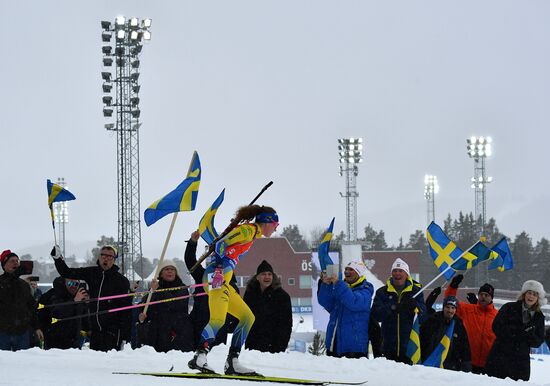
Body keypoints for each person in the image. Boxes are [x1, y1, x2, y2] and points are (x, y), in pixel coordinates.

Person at [188, 205, 279, 375]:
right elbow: (221, 244)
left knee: (247, 317)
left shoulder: (250, 233)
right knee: (218, 319)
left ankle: (233, 361)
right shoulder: (248, 230)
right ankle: (200, 356)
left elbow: (226, 241)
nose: (276, 228)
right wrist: (220, 268)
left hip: (224, 281)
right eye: (276, 224)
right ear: (267, 222)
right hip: (217, 277)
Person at [51, 244, 131, 352]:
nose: (106, 258)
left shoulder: (121, 281)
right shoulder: (92, 273)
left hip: (112, 332)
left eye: (109, 256)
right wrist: (57, 259)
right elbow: (67, 272)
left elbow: (125, 310)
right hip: (95, 332)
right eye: (103, 255)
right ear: (99, 257)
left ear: (114, 259)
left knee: (110, 363)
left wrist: (125, 337)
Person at [184, 231, 239, 349]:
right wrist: (192, 243)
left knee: (216, 359)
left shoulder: (231, 283)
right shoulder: (202, 275)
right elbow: (190, 261)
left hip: (219, 330)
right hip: (199, 327)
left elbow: (236, 311)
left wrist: (230, 323)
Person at [485, 280, 546, 381]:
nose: (531, 296)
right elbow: (496, 327)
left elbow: (538, 341)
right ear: (524, 294)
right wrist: (516, 332)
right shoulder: (509, 307)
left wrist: (528, 335)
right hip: (499, 357)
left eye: (535, 294)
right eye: (529, 293)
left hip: (520, 363)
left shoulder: (539, 317)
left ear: (538, 298)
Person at [371, 257, 426, 364]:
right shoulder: (382, 292)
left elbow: (423, 317)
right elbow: (376, 315)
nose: (397, 273)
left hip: (410, 347)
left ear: (407, 274)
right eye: (395, 271)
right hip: (387, 347)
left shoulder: (416, 292)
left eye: (401, 271)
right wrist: (393, 307)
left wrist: (415, 306)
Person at [318, 260, 373, 358]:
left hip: (354, 347)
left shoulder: (366, 290)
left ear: (359, 273)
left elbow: (354, 302)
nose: (347, 272)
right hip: (334, 343)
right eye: (346, 269)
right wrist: (326, 285)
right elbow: (326, 303)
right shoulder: (340, 287)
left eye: (351, 270)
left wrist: (338, 283)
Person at [443, 274, 497, 374]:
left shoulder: (497, 315)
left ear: (491, 298)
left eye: (487, 295)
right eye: (481, 294)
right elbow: (450, 301)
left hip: (488, 364)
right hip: (467, 361)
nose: (483, 297)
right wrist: (453, 286)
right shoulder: (468, 309)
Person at [138, 259, 194, 353]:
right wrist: (142, 314)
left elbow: (175, 304)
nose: (170, 271)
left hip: (178, 334)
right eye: (166, 269)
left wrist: (158, 290)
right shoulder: (155, 288)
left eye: (172, 269)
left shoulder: (182, 288)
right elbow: (145, 305)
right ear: (161, 273)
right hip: (158, 335)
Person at [243, 260, 292, 353]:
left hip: (273, 347)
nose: (267, 277)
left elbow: (286, 324)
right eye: (263, 274)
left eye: (269, 274)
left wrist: (280, 347)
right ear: (257, 277)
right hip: (252, 345)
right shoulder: (250, 294)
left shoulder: (282, 296)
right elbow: (245, 317)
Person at [0, 250, 43, 351]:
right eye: (12, 261)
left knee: (23, 363)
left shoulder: (24, 285)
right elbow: (8, 297)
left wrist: (37, 327)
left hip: (22, 332)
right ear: (4, 265)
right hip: (3, 332)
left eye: (17, 261)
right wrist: (13, 278)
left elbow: (32, 307)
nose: (15, 263)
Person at [420, 295, 471, 371]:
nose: (450, 311)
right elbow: (422, 339)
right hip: (430, 362)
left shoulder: (458, 325)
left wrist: (466, 365)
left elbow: (465, 347)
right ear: (443, 308)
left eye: (453, 308)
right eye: (447, 307)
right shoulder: (433, 320)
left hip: (450, 366)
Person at [38, 277, 89, 349]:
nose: (73, 286)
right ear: (64, 283)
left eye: (76, 284)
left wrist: (87, 304)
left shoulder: (78, 296)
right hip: (55, 341)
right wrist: (73, 302)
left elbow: (84, 318)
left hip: (74, 342)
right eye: (70, 283)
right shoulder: (53, 294)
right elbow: (57, 313)